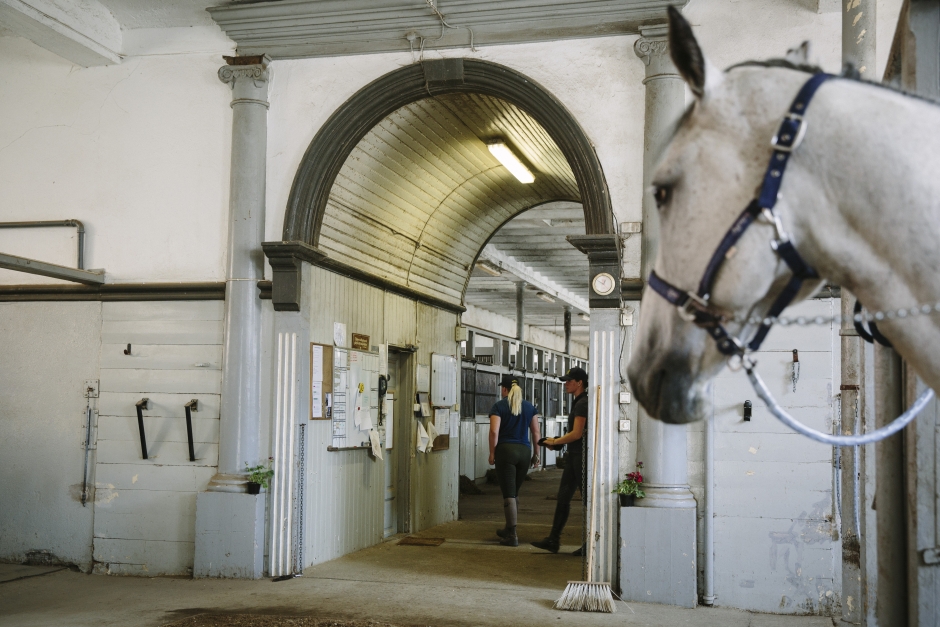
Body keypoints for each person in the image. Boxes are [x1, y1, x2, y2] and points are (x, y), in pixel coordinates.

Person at [531, 366, 588, 555]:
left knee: (588, 501)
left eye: (569, 381)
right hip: (574, 455)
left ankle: (591, 544)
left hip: (580, 457)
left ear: (579, 383)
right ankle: (553, 540)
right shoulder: (578, 402)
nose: (566, 384)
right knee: (563, 497)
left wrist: (555, 441)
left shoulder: (582, 403)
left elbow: (577, 433)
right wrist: (557, 443)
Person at [488, 374, 541, 547]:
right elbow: (536, 433)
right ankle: (508, 527)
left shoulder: (499, 406)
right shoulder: (529, 407)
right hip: (524, 453)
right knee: (515, 492)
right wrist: (537, 455)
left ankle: (512, 535)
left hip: (506, 452)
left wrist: (492, 453)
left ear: (504, 389)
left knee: (508, 494)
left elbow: (494, 432)